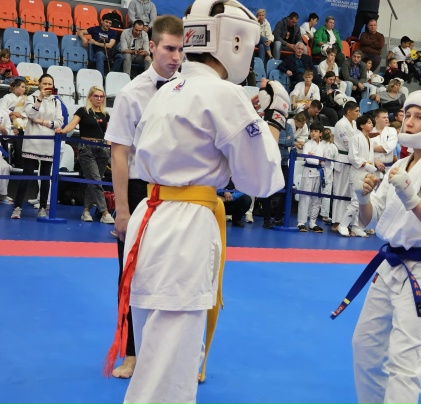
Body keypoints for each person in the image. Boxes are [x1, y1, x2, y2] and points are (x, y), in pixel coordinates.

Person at [104, 2, 288, 404]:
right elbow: (261, 181)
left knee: (154, 348)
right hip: (185, 228)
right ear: (236, 42)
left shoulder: (168, 89)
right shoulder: (223, 93)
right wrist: (274, 120)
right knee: (171, 361)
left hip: (150, 216)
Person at [342, 90, 421, 404]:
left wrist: (412, 199)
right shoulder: (400, 165)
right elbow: (370, 221)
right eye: (407, 115)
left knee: (404, 360)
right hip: (391, 264)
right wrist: (363, 198)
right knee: (365, 346)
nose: (408, 122)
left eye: (419, 117)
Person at [104, 14, 185, 379]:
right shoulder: (131, 94)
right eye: (168, 49)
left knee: (176, 274)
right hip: (140, 192)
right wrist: (122, 211)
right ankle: (132, 354)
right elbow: (119, 154)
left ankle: (175, 354)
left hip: (180, 194)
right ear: (151, 47)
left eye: (180, 50)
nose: (175, 57)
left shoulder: (189, 90)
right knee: (132, 275)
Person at [57, 86, 114, 224]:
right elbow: (72, 125)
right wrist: (62, 131)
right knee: (96, 180)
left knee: (93, 181)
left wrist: (110, 149)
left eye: (101, 96)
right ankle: (104, 212)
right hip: (86, 148)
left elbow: (109, 134)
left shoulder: (106, 114)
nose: (99, 99)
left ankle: (86, 210)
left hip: (102, 149)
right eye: (96, 96)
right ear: (90, 97)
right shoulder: (82, 111)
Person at [10, 74, 63, 220]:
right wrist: (39, 98)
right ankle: (17, 207)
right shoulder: (31, 98)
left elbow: (59, 122)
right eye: (44, 83)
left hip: (48, 143)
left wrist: (42, 122)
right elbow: (30, 113)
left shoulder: (56, 101)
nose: (47, 86)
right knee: (27, 175)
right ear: (39, 84)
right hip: (32, 141)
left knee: (45, 177)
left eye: (50, 84)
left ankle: (42, 208)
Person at [337, 114, 379, 238]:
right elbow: (352, 157)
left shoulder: (370, 140)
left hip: (367, 173)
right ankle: (343, 224)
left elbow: (370, 157)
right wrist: (365, 164)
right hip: (357, 172)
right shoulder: (356, 138)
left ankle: (356, 227)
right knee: (356, 201)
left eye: (372, 123)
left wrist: (371, 167)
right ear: (361, 125)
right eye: (369, 122)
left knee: (364, 201)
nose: (371, 125)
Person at [331, 101, 360, 234]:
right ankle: (336, 222)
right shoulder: (341, 124)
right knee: (340, 191)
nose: (358, 113)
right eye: (356, 111)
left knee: (348, 192)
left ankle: (345, 222)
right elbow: (349, 144)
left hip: (351, 159)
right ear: (349, 112)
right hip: (343, 158)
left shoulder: (353, 123)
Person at [261, 121, 294, 229]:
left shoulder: (288, 126)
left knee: (288, 189)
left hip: (283, 162)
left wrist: (277, 140)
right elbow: (267, 141)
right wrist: (284, 140)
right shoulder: (268, 125)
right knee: (267, 190)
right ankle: (266, 219)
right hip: (270, 162)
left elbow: (291, 142)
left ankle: (278, 218)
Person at [297, 122, 326, 233]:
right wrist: (319, 160)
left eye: (316, 131)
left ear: (320, 133)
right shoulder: (308, 144)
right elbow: (308, 158)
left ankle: (313, 222)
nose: (313, 133)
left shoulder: (323, 145)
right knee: (305, 197)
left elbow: (327, 161)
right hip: (308, 172)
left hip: (319, 173)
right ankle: (301, 222)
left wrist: (319, 160)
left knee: (317, 199)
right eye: (311, 131)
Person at [0, 79, 27, 168]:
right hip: (6, 124)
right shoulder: (7, 97)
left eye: (25, 87)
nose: (24, 89)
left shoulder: (25, 99)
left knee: (20, 143)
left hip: (20, 125)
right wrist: (12, 113)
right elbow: (2, 108)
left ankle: (20, 163)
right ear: (15, 87)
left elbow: (28, 111)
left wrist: (20, 115)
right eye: (22, 87)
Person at [320, 127, 338, 224]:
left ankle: (311, 213)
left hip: (319, 170)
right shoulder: (333, 146)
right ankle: (324, 215)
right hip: (327, 171)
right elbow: (336, 159)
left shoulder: (319, 145)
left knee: (315, 193)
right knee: (326, 193)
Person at [0, 109, 13, 204]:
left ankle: (2, 195)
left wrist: (1, 127)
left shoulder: (3, 113)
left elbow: (7, 135)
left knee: (5, 167)